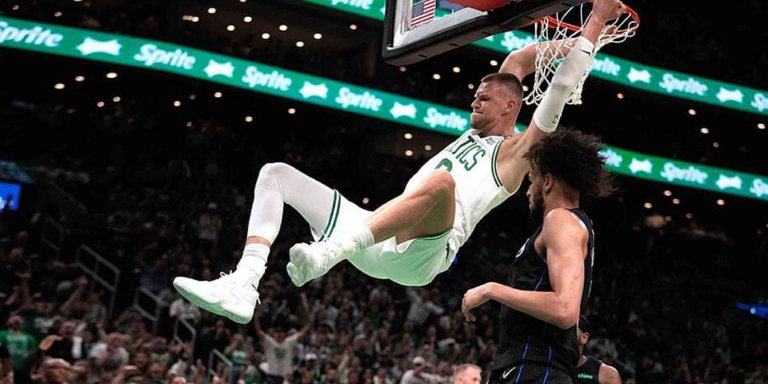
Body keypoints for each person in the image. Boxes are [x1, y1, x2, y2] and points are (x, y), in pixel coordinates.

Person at [173, 0, 627, 324]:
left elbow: (559, 90)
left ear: (511, 107)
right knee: (275, 175)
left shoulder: (517, 152)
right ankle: (244, 284)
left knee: (443, 183)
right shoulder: (478, 126)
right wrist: (584, 36)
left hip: (423, 254)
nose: (475, 98)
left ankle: (328, 254)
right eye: (475, 94)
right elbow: (521, 60)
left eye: (484, 97)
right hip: (376, 235)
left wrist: (596, 23)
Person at [460, 129, 617, 383]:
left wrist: (491, 290)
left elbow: (565, 309)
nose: (527, 191)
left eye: (531, 178)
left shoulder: (561, 219)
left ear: (547, 181)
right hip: (525, 369)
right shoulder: (565, 225)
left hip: (537, 370)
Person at [575, 316, 621, 384]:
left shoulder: (608, 375)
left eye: (571, 331)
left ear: (584, 338)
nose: (564, 336)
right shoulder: (554, 367)